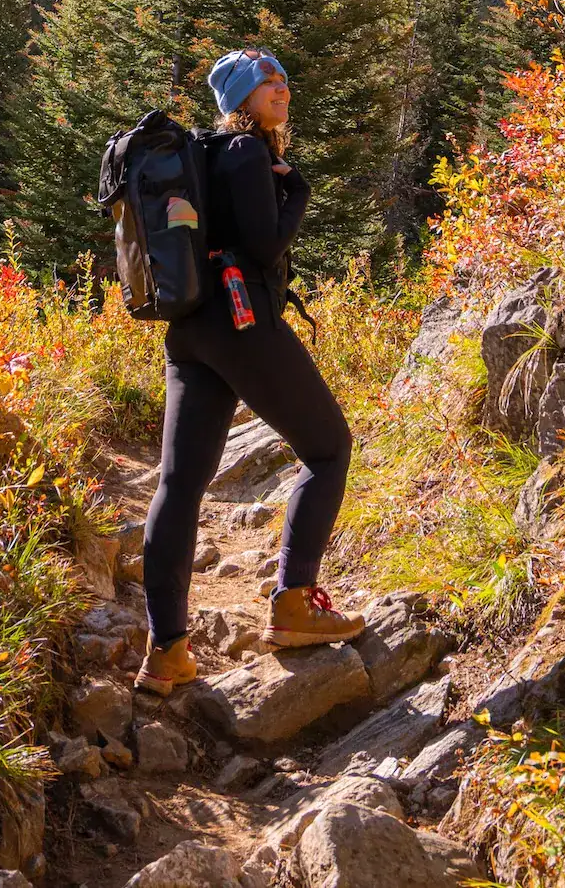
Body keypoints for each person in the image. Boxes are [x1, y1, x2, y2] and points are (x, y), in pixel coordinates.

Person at [136, 47, 364, 698]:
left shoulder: (203, 158)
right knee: (328, 447)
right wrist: (298, 189)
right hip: (242, 322)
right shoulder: (246, 152)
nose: (280, 87)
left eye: (284, 78)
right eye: (265, 80)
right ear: (239, 96)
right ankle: (294, 602)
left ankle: (166, 650)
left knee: (178, 485)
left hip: (190, 333)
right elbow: (265, 245)